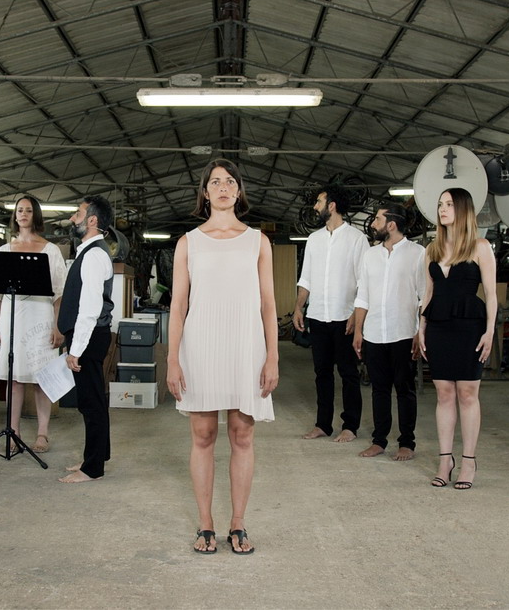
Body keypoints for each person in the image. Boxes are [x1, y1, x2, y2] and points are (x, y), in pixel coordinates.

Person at [167, 159, 278, 556]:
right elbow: (178, 305)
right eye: (215, 182)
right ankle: (206, 524)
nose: (223, 187)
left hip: (246, 346)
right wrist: (173, 360)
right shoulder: (188, 242)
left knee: (242, 435)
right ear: (205, 192)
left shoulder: (257, 241)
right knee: (203, 435)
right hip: (201, 344)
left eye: (230, 181)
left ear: (239, 191)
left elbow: (268, 304)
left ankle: (238, 524)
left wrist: (273, 358)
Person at [419, 188, 496, 490]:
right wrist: (421, 327)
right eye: (440, 204)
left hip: (470, 325)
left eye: (449, 204)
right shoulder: (432, 250)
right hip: (438, 324)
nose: (443, 209)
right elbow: (428, 293)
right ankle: (444, 460)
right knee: (443, 394)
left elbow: (490, 295)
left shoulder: (480, 247)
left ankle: (469, 461)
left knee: (467, 393)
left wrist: (490, 331)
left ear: (463, 209)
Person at [0, 195, 67, 453]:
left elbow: (59, 294)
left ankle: (43, 434)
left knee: (42, 377)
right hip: (13, 319)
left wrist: (58, 327)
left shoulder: (51, 250)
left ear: (36, 215)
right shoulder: (4, 251)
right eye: (19, 210)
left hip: (41, 318)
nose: (23, 214)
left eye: (28, 210)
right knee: (15, 378)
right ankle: (14, 432)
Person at [294, 185, 367, 443]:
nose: (315, 207)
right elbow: (306, 279)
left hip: (344, 316)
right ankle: (323, 424)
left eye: (319, 201)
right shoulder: (314, 239)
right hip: (318, 315)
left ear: (332, 205)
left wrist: (355, 316)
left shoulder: (357, 239)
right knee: (321, 372)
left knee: (348, 373)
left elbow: (364, 282)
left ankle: (350, 426)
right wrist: (299, 307)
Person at [352, 203, 425, 462]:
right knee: (379, 389)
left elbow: (424, 297)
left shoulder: (418, 254)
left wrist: (420, 332)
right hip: (374, 333)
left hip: (403, 332)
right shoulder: (370, 255)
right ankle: (379, 441)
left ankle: (407, 442)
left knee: (405, 389)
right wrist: (358, 331)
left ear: (391, 224)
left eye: (378, 219)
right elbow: (363, 296)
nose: (373, 224)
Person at [57, 195, 115, 484]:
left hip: (89, 338)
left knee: (90, 403)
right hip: (91, 336)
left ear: (92, 220)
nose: (72, 219)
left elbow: (90, 308)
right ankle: (98, 455)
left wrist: (75, 350)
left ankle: (92, 468)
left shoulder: (94, 255)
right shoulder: (90, 252)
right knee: (94, 401)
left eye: (77, 214)